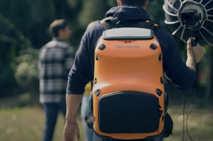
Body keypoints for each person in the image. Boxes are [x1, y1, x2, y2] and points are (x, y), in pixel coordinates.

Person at [63, 0, 204, 141]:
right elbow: (185, 81)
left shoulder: (95, 32)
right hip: (149, 129)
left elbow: (76, 78)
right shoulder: (160, 35)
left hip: (106, 129)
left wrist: (70, 120)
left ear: (119, 1)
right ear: (146, 2)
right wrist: (191, 57)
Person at [39, 19, 74, 141]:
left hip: (47, 95)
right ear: (61, 31)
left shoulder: (44, 49)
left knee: (49, 127)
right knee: (69, 126)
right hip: (63, 95)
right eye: (68, 29)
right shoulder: (66, 48)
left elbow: (42, 74)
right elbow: (71, 74)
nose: (70, 31)